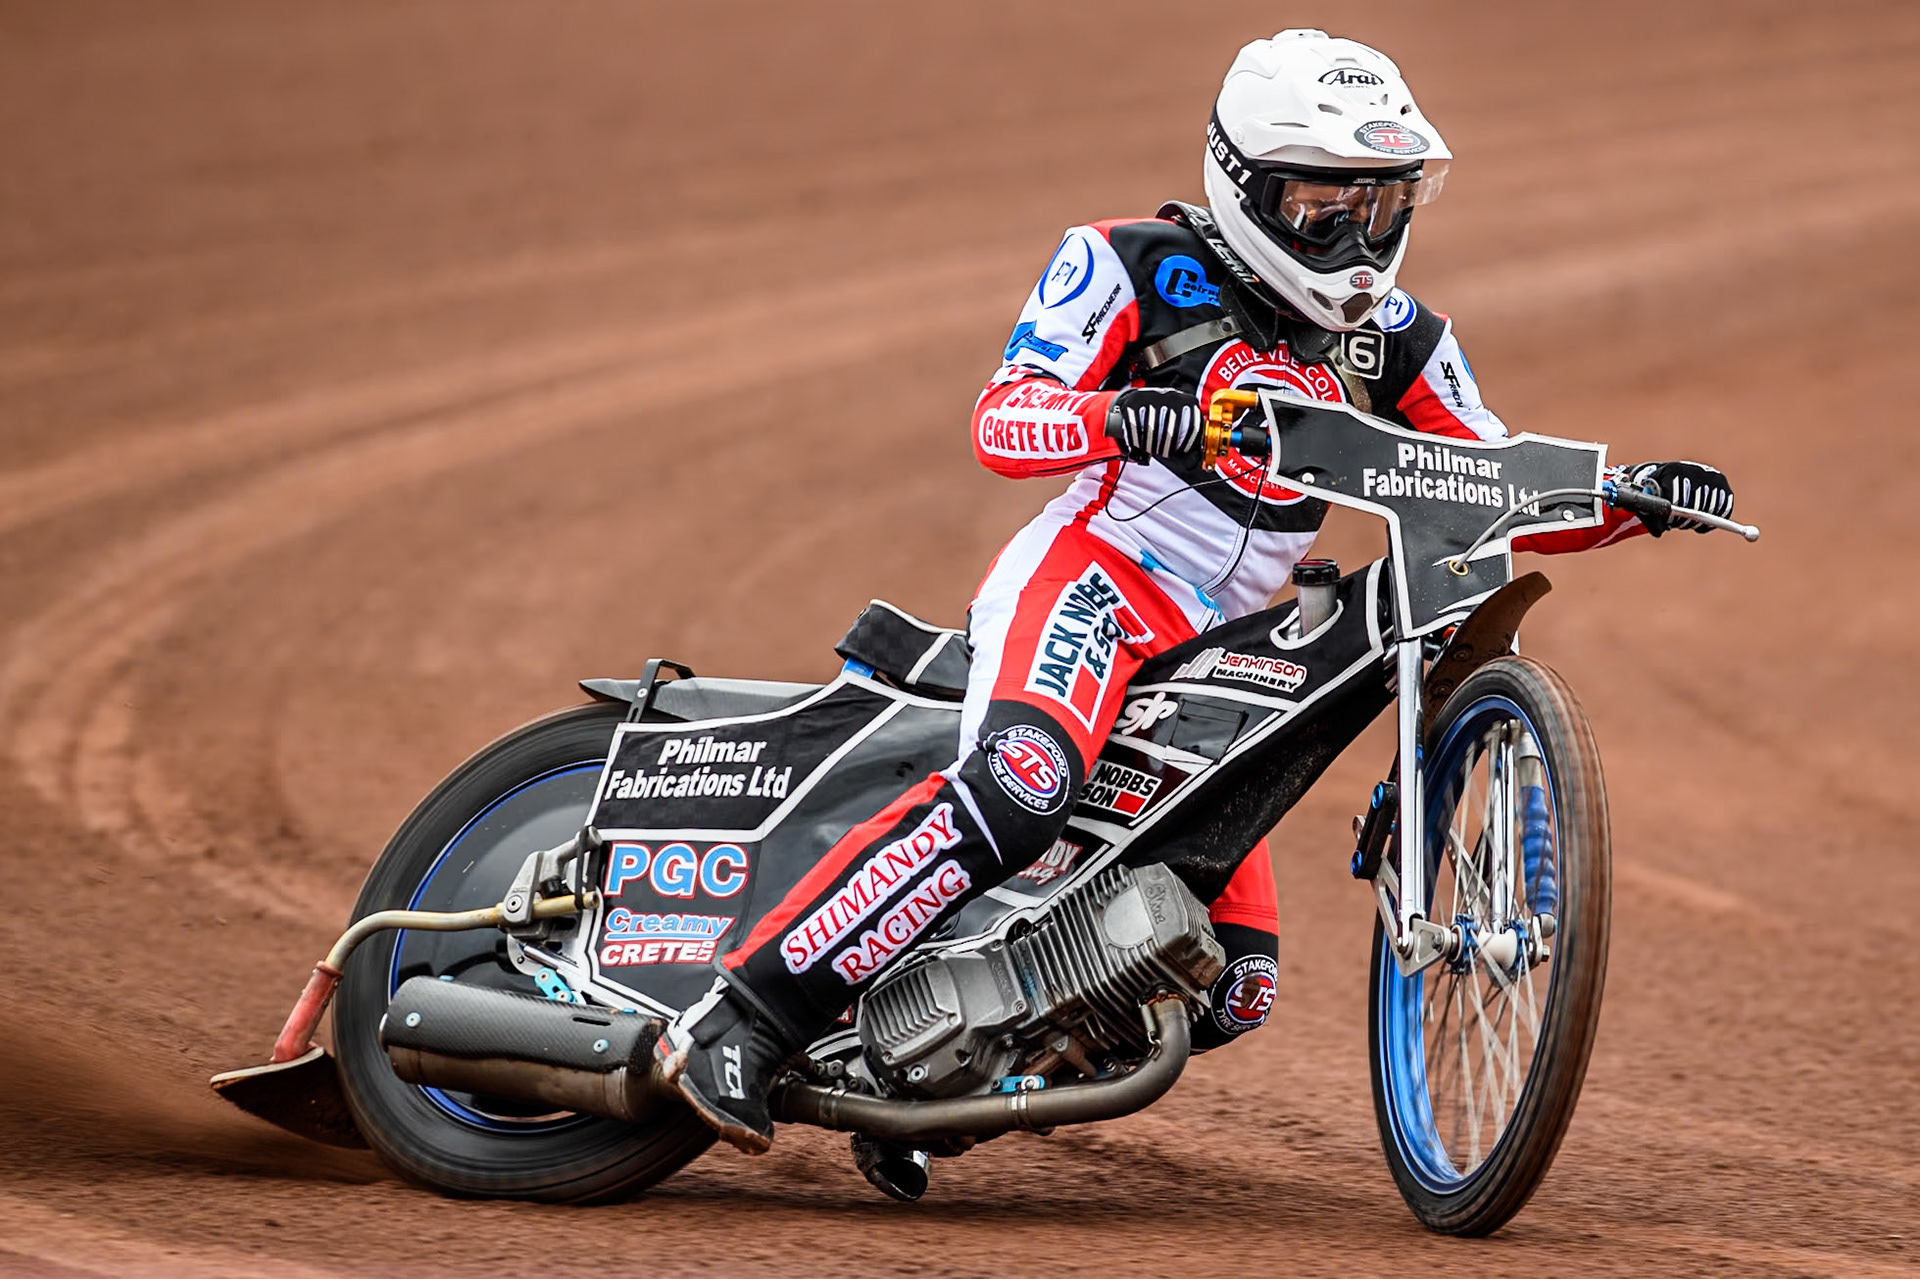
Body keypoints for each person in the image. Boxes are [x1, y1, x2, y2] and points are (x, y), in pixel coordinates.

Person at [658, 28, 1735, 1154]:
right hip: (1095, 581)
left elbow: (1485, 472)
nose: (1359, 238)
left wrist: (1630, 496)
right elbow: (1002, 415)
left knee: (1234, 986)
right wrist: (1115, 415)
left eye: (1382, 205)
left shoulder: (1402, 339)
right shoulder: (1124, 260)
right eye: (1325, 204)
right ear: (1248, 185)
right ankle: (743, 1017)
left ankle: (929, 1084)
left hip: (1226, 648)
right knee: (1021, 789)